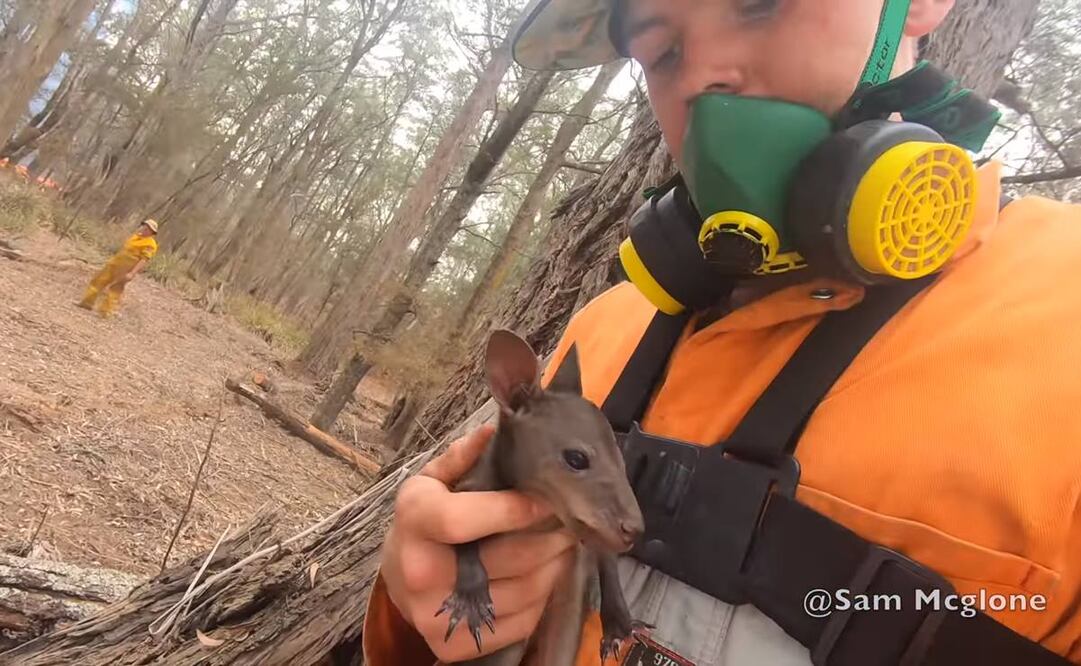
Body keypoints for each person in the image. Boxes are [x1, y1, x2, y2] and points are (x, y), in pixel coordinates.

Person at [363, 1, 1081, 665]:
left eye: (758, 2)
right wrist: (414, 613)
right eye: (662, 52)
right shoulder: (609, 330)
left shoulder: (1062, 318)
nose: (702, 74)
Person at [77, 219, 159, 318]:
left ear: (152, 232)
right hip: (114, 263)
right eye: (145, 226)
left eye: (148, 228)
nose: (145, 228)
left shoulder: (150, 244)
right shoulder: (135, 237)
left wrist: (132, 273)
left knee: (115, 289)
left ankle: (105, 312)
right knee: (98, 281)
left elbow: (144, 260)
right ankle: (87, 302)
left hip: (126, 268)